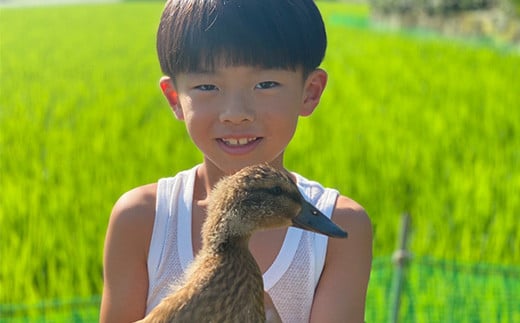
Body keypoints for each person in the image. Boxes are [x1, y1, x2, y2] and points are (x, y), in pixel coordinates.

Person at [99, 0, 372, 322]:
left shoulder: (342, 228)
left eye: (265, 84)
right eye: (207, 86)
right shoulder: (141, 219)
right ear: (175, 98)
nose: (236, 113)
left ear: (310, 92)